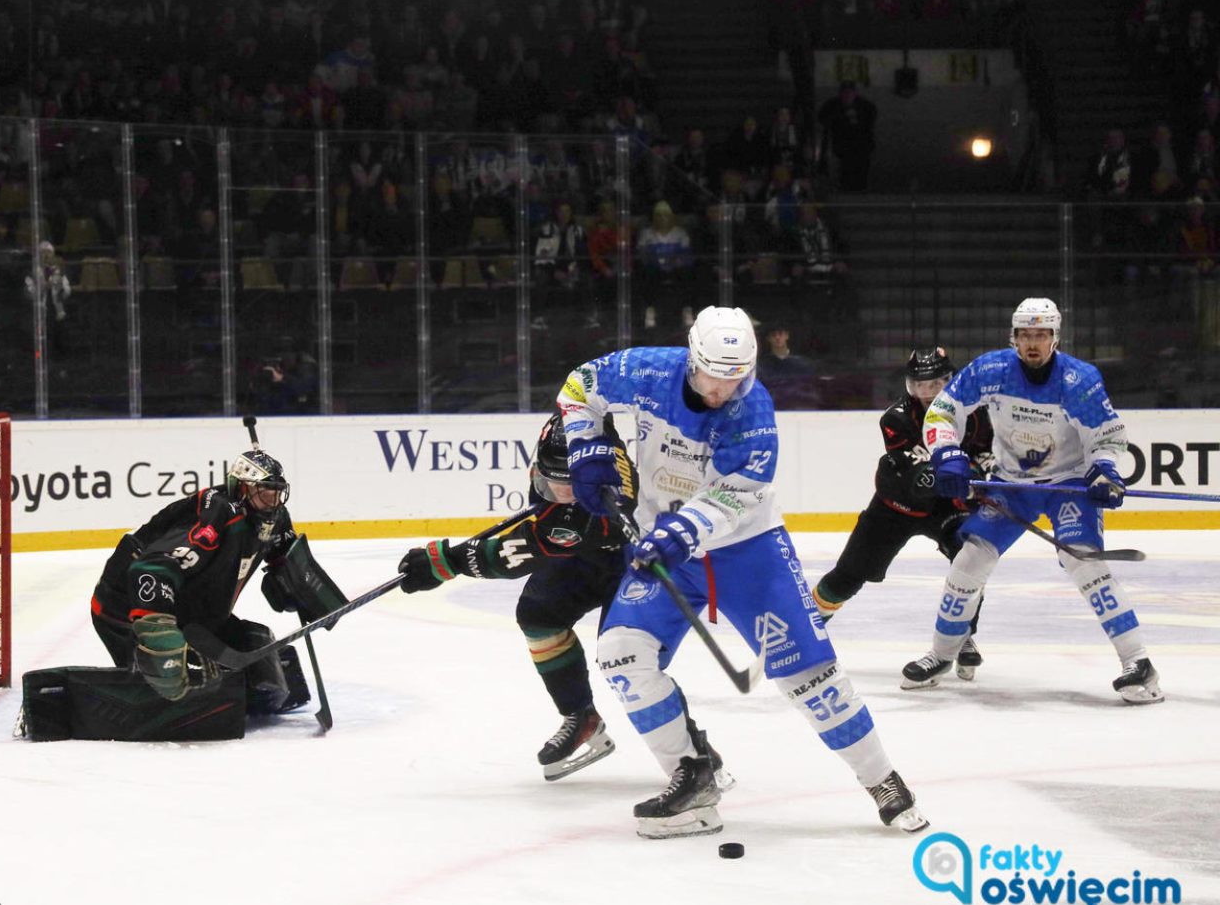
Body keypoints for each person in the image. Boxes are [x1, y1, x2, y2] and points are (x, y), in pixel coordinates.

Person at [560, 305, 928, 839]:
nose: (723, 392)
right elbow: (577, 387)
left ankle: (883, 780)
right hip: (666, 551)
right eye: (714, 378)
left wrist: (680, 531)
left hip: (745, 551)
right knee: (621, 654)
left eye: (737, 379)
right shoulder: (645, 370)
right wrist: (588, 447)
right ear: (692, 359)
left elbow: (736, 493)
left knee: (811, 679)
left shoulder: (751, 409)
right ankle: (692, 778)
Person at [905, 298, 1163, 704]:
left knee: (1082, 561)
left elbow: (1107, 437)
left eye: (1041, 334)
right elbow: (941, 411)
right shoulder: (990, 370)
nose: (1032, 343)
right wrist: (947, 454)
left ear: (1055, 338)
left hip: (1068, 483)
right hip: (1013, 484)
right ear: (1013, 337)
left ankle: (1139, 663)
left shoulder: (1079, 380)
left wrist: (1105, 470)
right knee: (969, 560)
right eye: (1025, 334)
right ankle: (940, 655)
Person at [395, 413, 632, 781]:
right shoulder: (560, 462)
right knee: (538, 612)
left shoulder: (607, 493)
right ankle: (580, 716)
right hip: (588, 556)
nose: (563, 491)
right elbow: (545, 522)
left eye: (571, 483)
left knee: (629, 658)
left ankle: (690, 753)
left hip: (636, 563)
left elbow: (522, 551)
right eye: (554, 481)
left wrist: (446, 563)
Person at [89, 449, 318, 719]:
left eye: (277, 493)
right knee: (176, 679)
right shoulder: (217, 513)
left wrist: (308, 590)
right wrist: (157, 629)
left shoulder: (274, 518)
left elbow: (288, 557)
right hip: (126, 611)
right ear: (242, 488)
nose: (273, 502)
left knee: (255, 642)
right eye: (264, 493)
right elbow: (149, 570)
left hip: (190, 607)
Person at [813, 347, 995, 680]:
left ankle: (962, 635)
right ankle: (807, 626)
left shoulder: (978, 415)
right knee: (849, 574)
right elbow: (917, 477)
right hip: (896, 506)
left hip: (946, 508)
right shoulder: (896, 418)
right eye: (919, 384)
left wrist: (986, 475)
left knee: (970, 562)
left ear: (949, 381)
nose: (927, 393)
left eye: (935, 384)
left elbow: (986, 455)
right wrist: (960, 477)